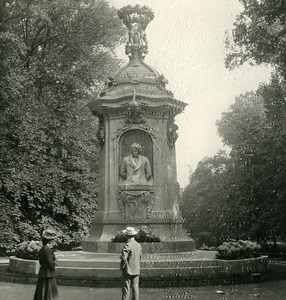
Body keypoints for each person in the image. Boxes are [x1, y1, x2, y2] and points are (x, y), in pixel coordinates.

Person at [33, 227, 58, 300]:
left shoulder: (43, 249)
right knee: (47, 292)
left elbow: (41, 261)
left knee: (42, 291)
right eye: (52, 240)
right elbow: (50, 263)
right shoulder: (47, 250)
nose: (53, 242)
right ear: (49, 241)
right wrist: (55, 263)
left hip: (44, 272)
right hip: (48, 273)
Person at [120, 227, 142, 300]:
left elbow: (124, 259)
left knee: (126, 289)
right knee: (135, 288)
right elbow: (140, 257)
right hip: (136, 269)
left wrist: (122, 267)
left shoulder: (127, 245)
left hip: (128, 270)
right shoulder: (138, 245)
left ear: (127, 236)